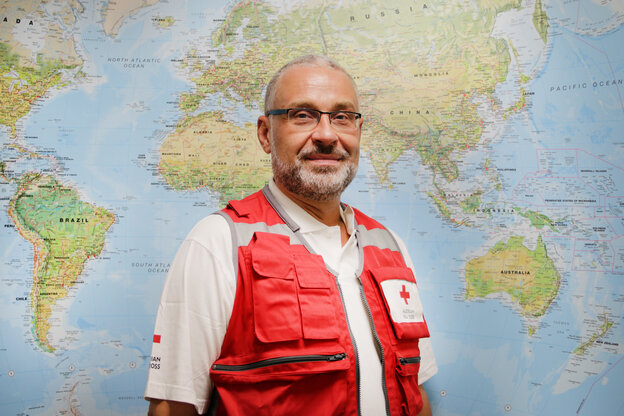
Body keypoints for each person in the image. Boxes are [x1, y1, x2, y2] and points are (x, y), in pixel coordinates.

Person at [145, 54, 437, 415]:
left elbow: (416, 393)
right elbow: (173, 407)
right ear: (266, 134)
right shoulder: (220, 242)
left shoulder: (390, 246)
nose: (327, 135)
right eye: (302, 115)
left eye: (342, 117)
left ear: (358, 131)